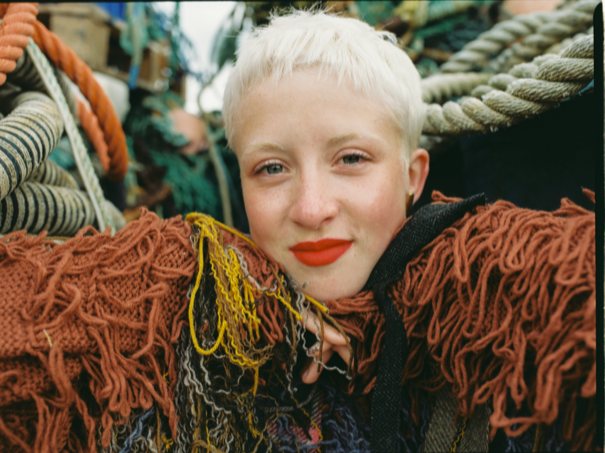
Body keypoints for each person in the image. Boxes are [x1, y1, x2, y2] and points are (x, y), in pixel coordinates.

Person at [0, 7, 596, 453]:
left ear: (414, 177)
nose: (312, 209)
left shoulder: (494, 278)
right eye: (272, 169)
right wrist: (237, 295)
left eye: (351, 159)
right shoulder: (202, 300)